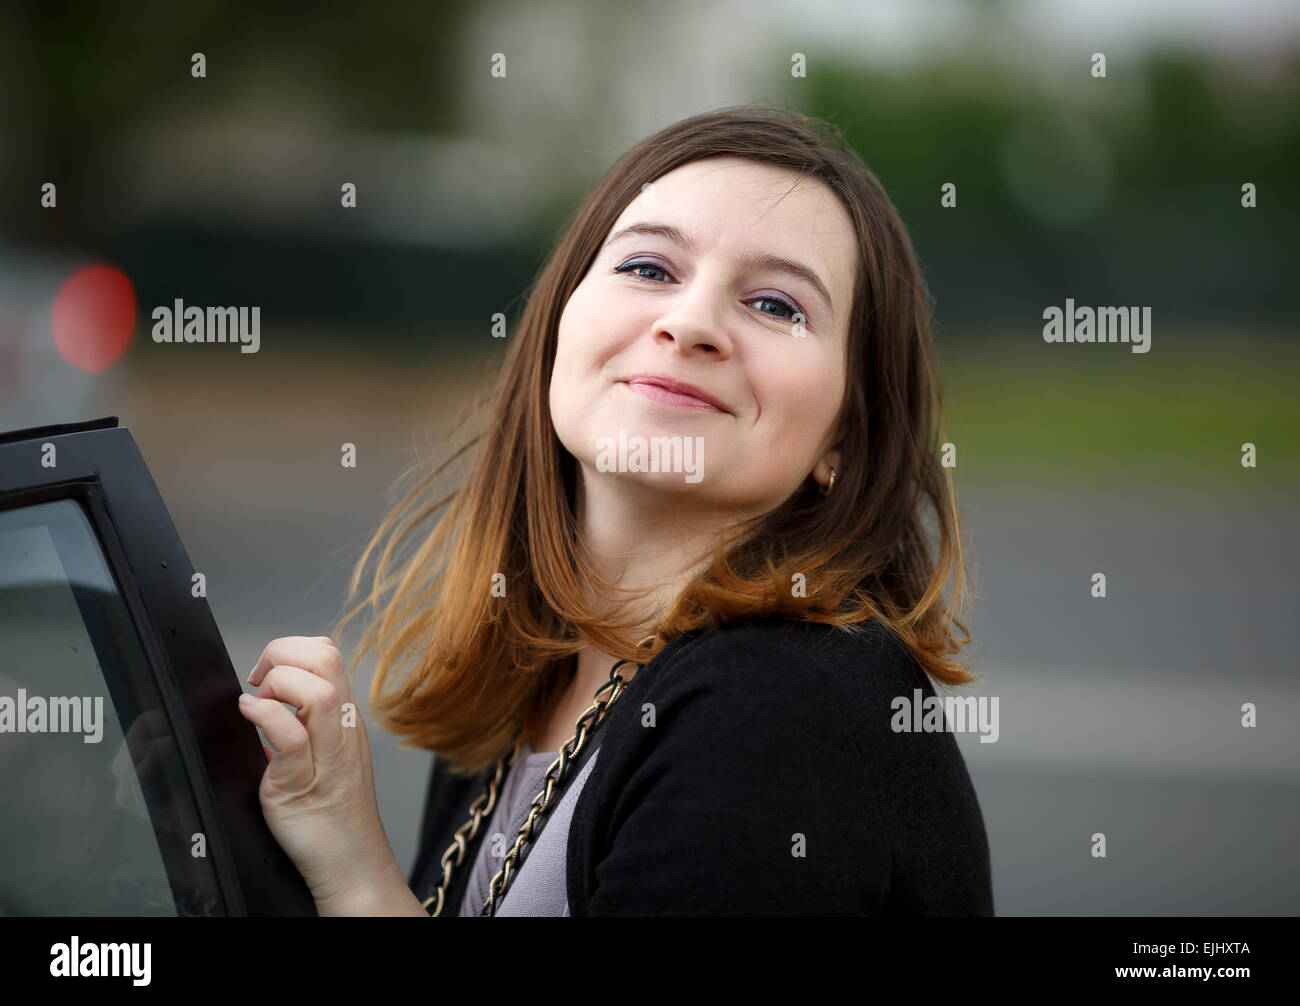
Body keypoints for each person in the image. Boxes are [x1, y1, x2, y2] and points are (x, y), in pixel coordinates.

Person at [236, 104, 994, 916]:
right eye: (649, 269)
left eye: (776, 305)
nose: (691, 322)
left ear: (846, 435)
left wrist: (357, 874)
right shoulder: (529, 675)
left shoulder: (779, 712)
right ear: (561, 322)